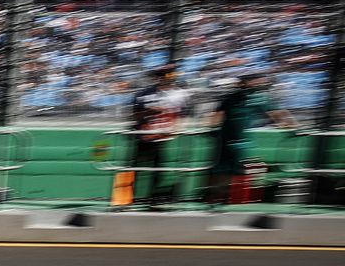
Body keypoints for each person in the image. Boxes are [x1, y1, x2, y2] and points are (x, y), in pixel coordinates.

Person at [204, 71, 298, 207]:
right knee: (221, 171)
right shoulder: (230, 98)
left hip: (242, 143)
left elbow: (277, 113)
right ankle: (216, 198)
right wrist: (211, 128)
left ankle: (232, 199)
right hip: (225, 141)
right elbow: (216, 116)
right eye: (249, 81)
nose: (254, 83)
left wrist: (290, 124)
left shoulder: (259, 98)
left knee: (237, 171)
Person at [127, 64, 189, 209]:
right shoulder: (144, 94)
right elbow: (133, 116)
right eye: (167, 75)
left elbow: (184, 115)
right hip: (143, 137)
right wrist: (149, 112)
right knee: (135, 168)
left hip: (163, 138)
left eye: (173, 74)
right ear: (158, 77)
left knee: (158, 170)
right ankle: (129, 197)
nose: (171, 77)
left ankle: (153, 198)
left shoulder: (180, 94)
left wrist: (177, 129)